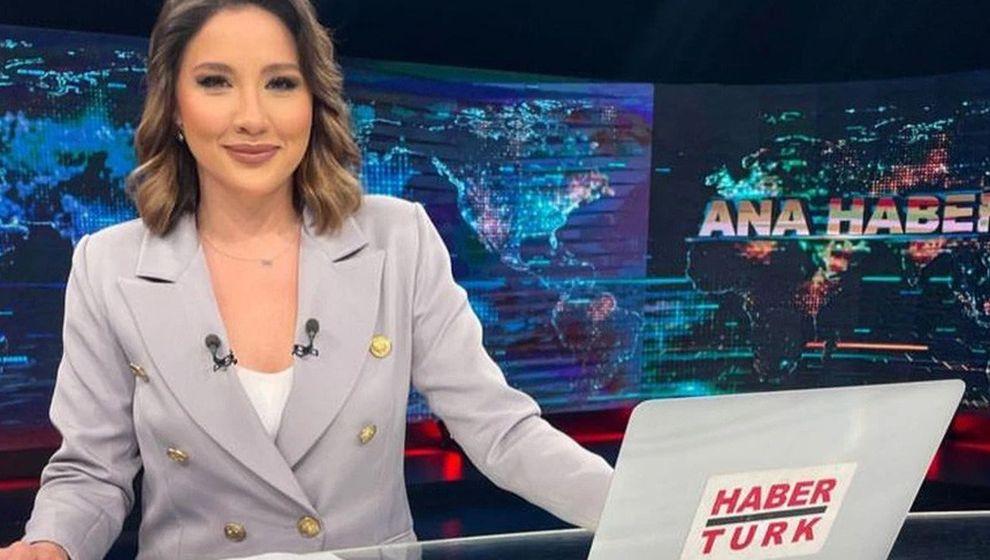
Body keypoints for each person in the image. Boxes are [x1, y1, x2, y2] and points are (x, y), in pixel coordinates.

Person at [0, 1, 614, 559]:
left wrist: (646, 513)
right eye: (215, 82)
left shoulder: (398, 239)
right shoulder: (107, 265)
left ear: (313, 103)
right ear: (174, 106)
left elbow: (499, 431)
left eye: (280, 83)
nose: (252, 117)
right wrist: (51, 546)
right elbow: (92, 472)